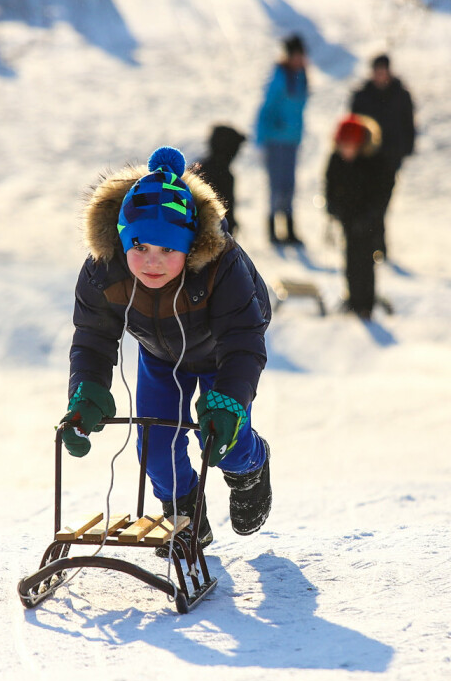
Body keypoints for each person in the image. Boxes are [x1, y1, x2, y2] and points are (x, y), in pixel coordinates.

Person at [62, 146, 273, 555]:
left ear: (190, 246)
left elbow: (244, 339)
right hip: (160, 355)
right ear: (123, 239)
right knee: (154, 448)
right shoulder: (104, 267)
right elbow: (93, 337)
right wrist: (87, 391)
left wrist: (230, 400)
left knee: (222, 438)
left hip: (222, 350)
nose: (151, 262)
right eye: (140, 247)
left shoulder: (222, 266)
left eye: (167, 250)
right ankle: (185, 516)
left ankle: (250, 468)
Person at [348, 54, 415, 260]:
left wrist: (404, 150)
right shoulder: (362, 95)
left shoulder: (400, 95)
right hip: (365, 161)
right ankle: (372, 242)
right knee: (368, 202)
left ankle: (379, 242)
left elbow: (408, 126)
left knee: (382, 203)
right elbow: (353, 125)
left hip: (390, 160)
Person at [324, 114, 386, 320]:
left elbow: (379, 194)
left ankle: (366, 304)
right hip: (348, 219)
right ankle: (352, 299)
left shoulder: (372, 161)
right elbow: (330, 187)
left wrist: (369, 217)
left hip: (368, 221)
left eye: (350, 146)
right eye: (343, 146)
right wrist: (334, 208)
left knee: (366, 261)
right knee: (350, 259)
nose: (346, 151)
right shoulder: (335, 160)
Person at [255, 34, 309, 247]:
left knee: (290, 185)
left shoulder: (302, 76)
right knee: (276, 185)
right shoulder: (280, 77)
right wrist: (263, 138)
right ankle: (272, 228)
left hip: (292, 140)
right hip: (275, 140)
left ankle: (289, 227)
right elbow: (266, 108)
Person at [195, 124, 246, 232]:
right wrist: (230, 226)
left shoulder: (199, 169)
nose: (238, 153)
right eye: (236, 148)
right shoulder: (224, 175)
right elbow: (225, 213)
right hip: (214, 238)